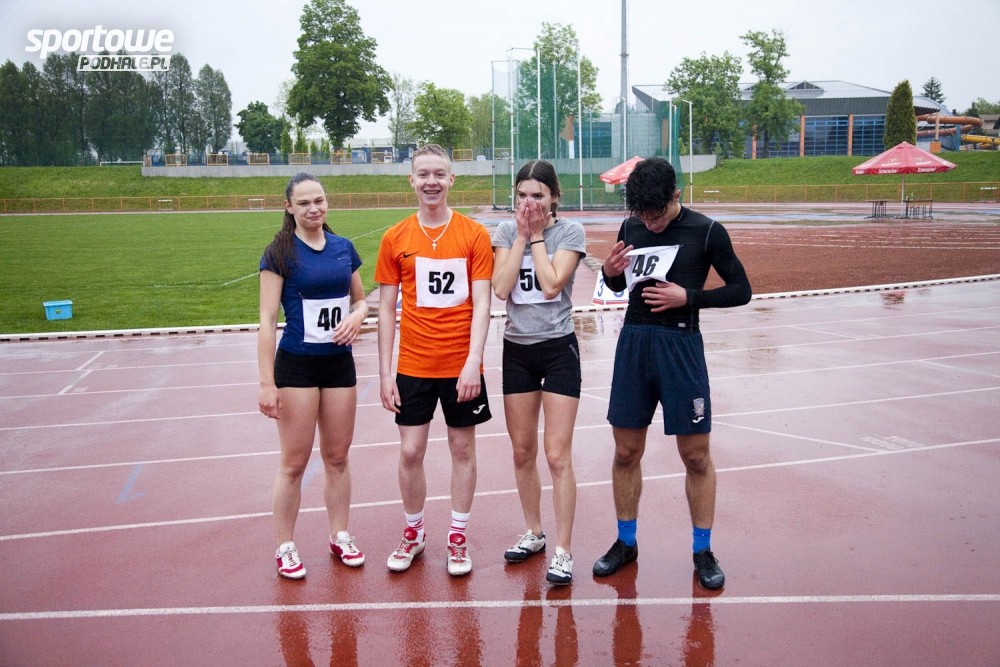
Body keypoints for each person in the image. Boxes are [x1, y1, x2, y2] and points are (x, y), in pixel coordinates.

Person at [592, 157, 751, 590]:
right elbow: (619, 287)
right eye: (642, 215)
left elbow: (742, 290)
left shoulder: (707, 231)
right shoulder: (632, 226)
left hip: (681, 346)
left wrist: (690, 297)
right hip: (635, 343)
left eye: (656, 214)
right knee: (626, 451)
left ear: (676, 195)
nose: (650, 223)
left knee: (696, 455)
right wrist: (609, 273)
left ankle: (703, 550)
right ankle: (626, 542)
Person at [375, 144, 494, 577]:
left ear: (451, 179)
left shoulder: (473, 234)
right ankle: (414, 532)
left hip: (461, 365)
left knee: (462, 448)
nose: (431, 182)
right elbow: (385, 309)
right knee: (410, 451)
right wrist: (385, 373)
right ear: (411, 180)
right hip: (413, 365)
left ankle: (457, 537)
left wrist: (473, 360)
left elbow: (483, 303)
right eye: (423, 174)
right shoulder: (395, 237)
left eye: (439, 174)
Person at [258, 173, 369, 579]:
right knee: (294, 463)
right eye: (303, 203)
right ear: (289, 207)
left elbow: (361, 301)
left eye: (319, 200)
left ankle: (340, 534)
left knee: (337, 457)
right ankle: (285, 545)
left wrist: (357, 316)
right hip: (297, 366)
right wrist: (267, 384)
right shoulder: (279, 253)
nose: (313, 208)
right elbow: (267, 320)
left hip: (338, 364)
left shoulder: (343, 248)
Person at [491, 160, 586, 586]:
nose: (529, 203)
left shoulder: (570, 233)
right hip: (517, 351)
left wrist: (537, 236)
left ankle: (563, 550)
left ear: (554, 198)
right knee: (522, 451)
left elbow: (550, 285)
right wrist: (520, 237)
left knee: (556, 454)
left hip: (558, 349)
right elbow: (501, 288)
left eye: (538, 196)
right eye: (522, 195)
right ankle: (534, 531)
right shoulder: (504, 232)